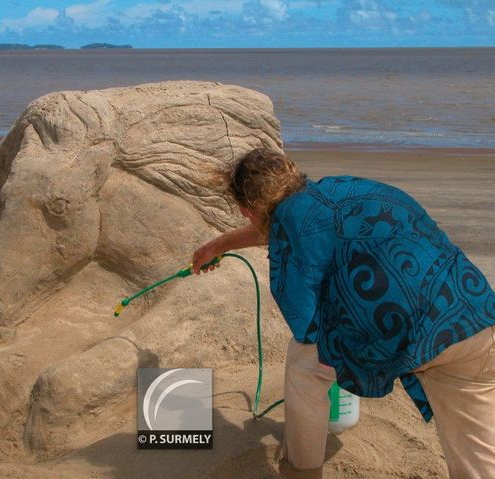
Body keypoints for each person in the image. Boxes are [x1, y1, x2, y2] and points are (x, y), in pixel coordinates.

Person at [192, 148, 495, 479]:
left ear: (247, 209)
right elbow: (298, 224)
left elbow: (306, 323)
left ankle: (301, 472)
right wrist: (219, 245)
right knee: (478, 460)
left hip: (410, 336)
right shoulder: (342, 188)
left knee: (303, 364)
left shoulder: (292, 222)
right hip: (476, 316)